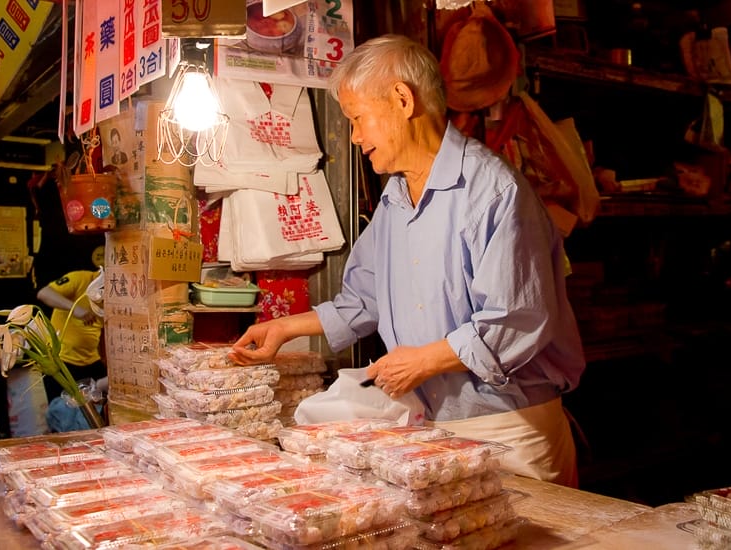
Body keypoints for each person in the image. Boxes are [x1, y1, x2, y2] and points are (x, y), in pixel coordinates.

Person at [230, 34, 586, 487]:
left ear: (401, 99)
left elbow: (516, 320)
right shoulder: (396, 197)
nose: (355, 137)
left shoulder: (493, 191)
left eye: (358, 119)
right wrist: (284, 328)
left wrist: (423, 361)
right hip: (435, 426)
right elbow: (363, 300)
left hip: (511, 428)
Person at [36, 270, 107, 403]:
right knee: (65, 411)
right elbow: (44, 293)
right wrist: (74, 308)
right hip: (63, 361)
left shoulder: (115, 292)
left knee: (98, 407)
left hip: (91, 359)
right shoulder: (80, 278)